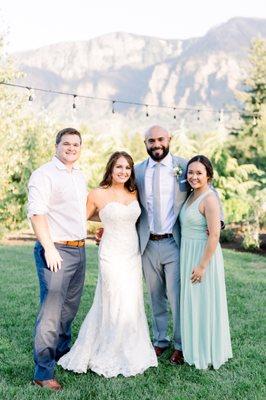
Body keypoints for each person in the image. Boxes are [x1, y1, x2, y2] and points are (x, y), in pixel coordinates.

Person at [58, 151, 158, 377]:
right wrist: (105, 222)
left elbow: (136, 218)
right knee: (112, 297)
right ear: (110, 169)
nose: (123, 172)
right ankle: (107, 348)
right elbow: (82, 217)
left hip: (132, 253)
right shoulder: (97, 193)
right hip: (111, 253)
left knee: (131, 299)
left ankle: (130, 347)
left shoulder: (134, 192)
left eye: (127, 168)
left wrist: (107, 221)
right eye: (119, 167)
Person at [27, 127, 88, 391]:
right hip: (56, 251)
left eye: (76, 144)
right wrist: (49, 248)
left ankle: (62, 355)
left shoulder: (79, 176)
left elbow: (76, 212)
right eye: (66, 144)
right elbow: (37, 214)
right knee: (51, 314)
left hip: (79, 249)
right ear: (56, 146)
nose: (71, 148)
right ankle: (43, 372)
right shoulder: (44, 175)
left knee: (69, 310)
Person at [134, 125, 189, 365]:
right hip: (148, 244)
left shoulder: (185, 167)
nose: (157, 145)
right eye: (151, 141)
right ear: (145, 143)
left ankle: (180, 344)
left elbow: (208, 188)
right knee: (155, 296)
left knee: (175, 297)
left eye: (161, 139)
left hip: (173, 243)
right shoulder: (136, 171)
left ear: (170, 139)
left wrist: (216, 219)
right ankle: (160, 340)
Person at [179, 155, 232, 369]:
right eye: (190, 172)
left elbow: (214, 236)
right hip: (188, 252)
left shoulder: (209, 199)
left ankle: (206, 350)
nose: (194, 176)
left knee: (204, 301)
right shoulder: (191, 196)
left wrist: (202, 266)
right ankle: (192, 347)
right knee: (193, 301)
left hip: (203, 256)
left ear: (208, 175)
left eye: (199, 173)